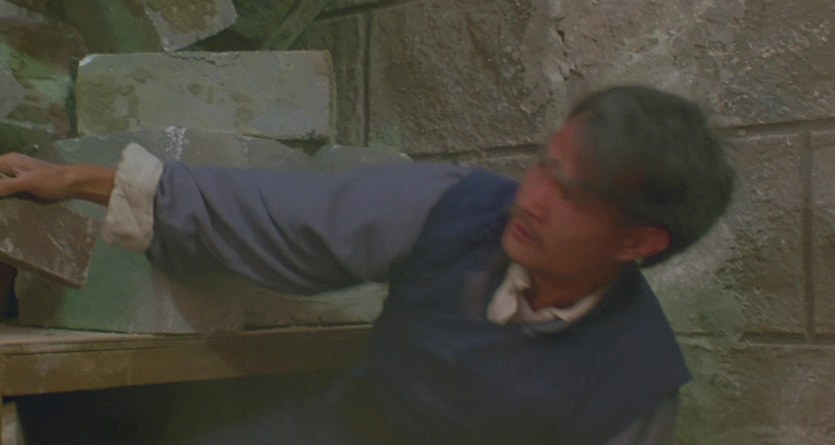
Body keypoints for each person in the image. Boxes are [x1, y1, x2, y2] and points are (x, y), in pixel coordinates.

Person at [0, 85, 736, 444]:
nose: (534, 197)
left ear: (638, 242)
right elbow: (280, 215)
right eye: (545, 163)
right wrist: (77, 180)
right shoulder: (455, 205)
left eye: (572, 194)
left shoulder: (632, 390)